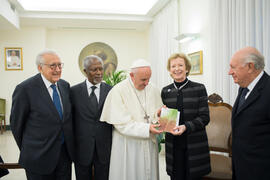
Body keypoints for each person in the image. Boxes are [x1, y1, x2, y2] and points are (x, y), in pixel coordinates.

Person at [10, 50, 75, 180]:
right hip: (38, 157)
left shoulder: (64, 86)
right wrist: (30, 149)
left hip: (64, 156)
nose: (57, 69)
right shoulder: (25, 89)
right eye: (53, 66)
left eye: (60, 65)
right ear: (40, 67)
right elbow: (17, 125)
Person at [100, 59, 163, 180]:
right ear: (131, 76)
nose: (147, 83)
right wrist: (147, 128)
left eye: (149, 79)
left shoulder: (152, 88)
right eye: (143, 79)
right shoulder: (118, 91)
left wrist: (158, 114)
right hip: (127, 145)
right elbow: (121, 124)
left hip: (149, 143)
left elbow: (153, 114)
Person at [161, 53, 211, 180]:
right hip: (173, 145)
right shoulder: (166, 91)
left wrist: (185, 127)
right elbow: (164, 118)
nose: (177, 69)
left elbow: (205, 117)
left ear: (187, 68)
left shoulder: (199, 88)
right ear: (169, 70)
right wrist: (160, 115)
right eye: (173, 66)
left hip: (194, 144)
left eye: (180, 65)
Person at [228, 47, 270, 180]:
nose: (230, 72)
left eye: (233, 67)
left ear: (250, 67)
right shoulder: (244, 87)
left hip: (260, 170)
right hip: (241, 166)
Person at [71, 55, 112, 180]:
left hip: (104, 148)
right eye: (94, 70)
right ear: (85, 71)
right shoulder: (73, 92)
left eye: (101, 69)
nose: (99, 73)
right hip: (82, 148)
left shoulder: (111, 91)